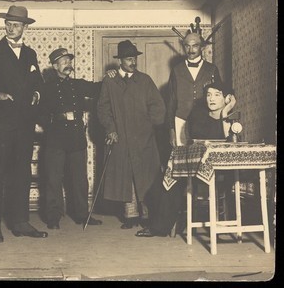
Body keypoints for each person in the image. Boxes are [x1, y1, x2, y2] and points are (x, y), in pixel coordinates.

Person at [0, 5, 47, 242]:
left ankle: (21, 222)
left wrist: (37, 93)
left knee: (21, 172)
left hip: (24, 124)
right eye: (8, 23)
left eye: (15, 24)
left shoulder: (31, 54)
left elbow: (38, 82)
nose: (10, 28)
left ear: (25, 27)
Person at [136, 82, 236, 237]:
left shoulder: (232, 117)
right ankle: (162, 226)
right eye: (209, 94)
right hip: (196, 169)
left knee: (169, 184)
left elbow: (229, 144)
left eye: (217, 94)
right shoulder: (197, 113)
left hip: (223, 171)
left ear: (228, 98)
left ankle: (174, 221)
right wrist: (222, 118)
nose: (211, 98)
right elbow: (203, 138)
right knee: (166, 182)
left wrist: (225, 114)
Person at [38, 48, 117, 229]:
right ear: (55, 65)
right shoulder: (46, 88)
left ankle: (82, 214)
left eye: (69, 61)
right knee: (53, 179)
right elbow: (38, 113)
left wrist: (109, 76)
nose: (68, 64)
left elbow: (98, 87)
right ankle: (53, 217)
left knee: (80, 179)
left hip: (76, 138)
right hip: (55, 139)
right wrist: (56, 121)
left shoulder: (77, 84)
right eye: (63, 61)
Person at [97, 40, 166, 229]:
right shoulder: (110, 81)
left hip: (143, 138)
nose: (133, 62)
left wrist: (149, 125)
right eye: (129, 59)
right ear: (121, 61)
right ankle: (131, 216)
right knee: (125, 176)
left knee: (146, 175)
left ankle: (147, 215)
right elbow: (103, 109)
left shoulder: (145, 80)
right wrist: (111, 129)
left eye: (134, 58)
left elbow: (158, 106)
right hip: (120, 137)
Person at [167, 31, 222, 147]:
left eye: (195, 46)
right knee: (182, 158)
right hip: (181, 120)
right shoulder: (176, 70)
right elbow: (171, 101)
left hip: (206, 121)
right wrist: (171, 129)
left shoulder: (212, 69)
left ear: (202, 48)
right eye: (187, 46)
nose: (190, 50)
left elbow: (219, 98)